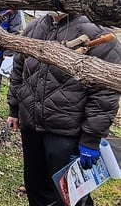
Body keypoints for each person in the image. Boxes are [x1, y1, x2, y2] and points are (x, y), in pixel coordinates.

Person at [7, 12, 121, 206]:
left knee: (70, 194)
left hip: (66, 132)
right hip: (31, 125)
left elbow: (105, 94)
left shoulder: (99, 36)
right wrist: (14, 108)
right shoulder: (35, 27)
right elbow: (18, 68)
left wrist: (90, 139)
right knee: (35, 185)